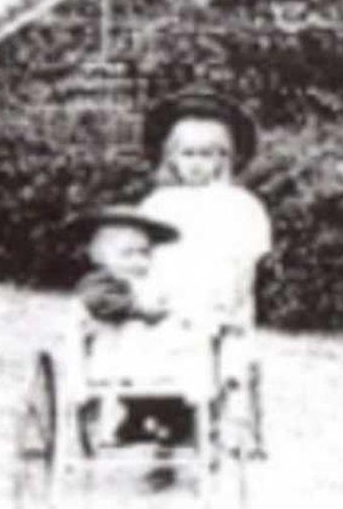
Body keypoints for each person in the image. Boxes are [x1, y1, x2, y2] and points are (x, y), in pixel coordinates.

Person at [136, 88, 271, 457]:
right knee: (147, 341)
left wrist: (233, 304)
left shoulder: (241, 206)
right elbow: (143, 260)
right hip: (168, 302)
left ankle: (228, 421)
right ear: (171, 157)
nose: (197, 164)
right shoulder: (157, 204)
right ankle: (155, 413)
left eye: (207, 155)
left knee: (223, 346)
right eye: (188, 154)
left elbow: (245, 263)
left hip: (219, 302)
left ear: (223, 158)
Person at [67, 204, 181, 445]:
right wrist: (140, 310)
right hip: (112, 358)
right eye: (127, 254)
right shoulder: (98, 283)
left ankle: (152, 423)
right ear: (100, 257)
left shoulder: (146, 284)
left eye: (145, 254)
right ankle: (145, 422)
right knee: (149, 386)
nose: (138, 262)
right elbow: (102, 304)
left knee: (174, 377)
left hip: (147, 359)